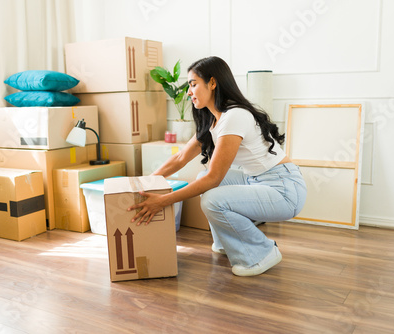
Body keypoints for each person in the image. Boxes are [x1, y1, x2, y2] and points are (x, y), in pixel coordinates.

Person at [128, 56, 307, 276]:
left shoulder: (235, 116)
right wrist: (148, 181)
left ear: (212, 83)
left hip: (284, 189)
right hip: (257, 180)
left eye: (193, 84)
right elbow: (181, 157)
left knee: (212, 195)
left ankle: (262, 252)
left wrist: (163, 201)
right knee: (205, 178)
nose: (189, 92)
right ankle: (228, 242)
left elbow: (214, 178)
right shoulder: (214, 120)